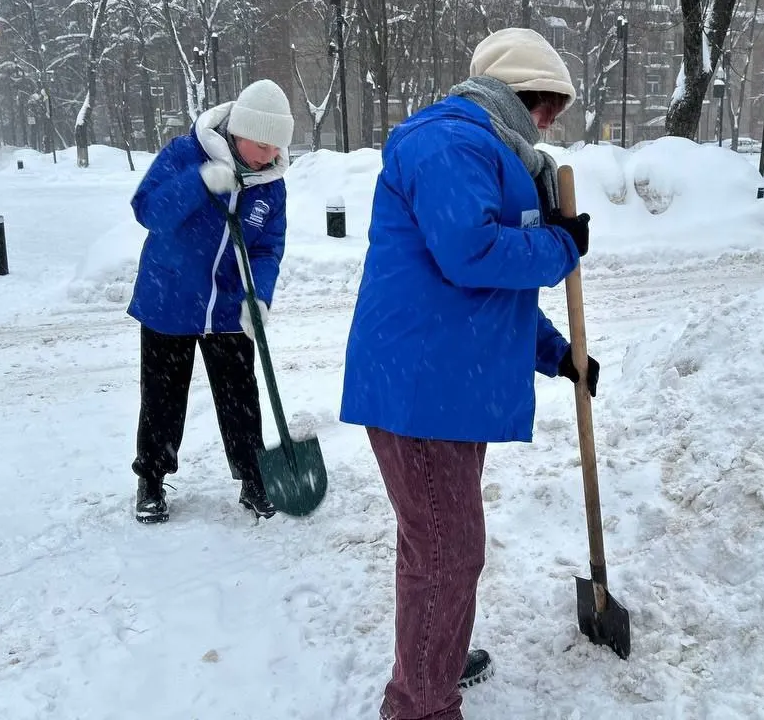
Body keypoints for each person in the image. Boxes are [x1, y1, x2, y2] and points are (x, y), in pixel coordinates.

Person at [340, 28, 600, 720]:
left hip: (446, 387)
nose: (549, 123)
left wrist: (558, 356)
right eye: (547, 106)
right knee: (448, 556)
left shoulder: (490, 151)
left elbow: (487, 295)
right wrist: (556, 245)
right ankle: (421, 703)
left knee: (435, 549)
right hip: (422, 390)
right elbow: (471, 252)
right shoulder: (449, 140)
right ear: (521, 94)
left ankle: (434, 661)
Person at [126, 79, 294, 524]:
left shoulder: (271, 185)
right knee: (162, 398)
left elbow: (266, 248)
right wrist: (199, 183)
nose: (269, 156)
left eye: (276, 147)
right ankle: (152, 479)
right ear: (238, 131)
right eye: (261, 145)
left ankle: (254, 478)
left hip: (228, 307)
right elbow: (148, 211)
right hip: (170, 299)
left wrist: (258, 297)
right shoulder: (186, 154)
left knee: (241, 397)